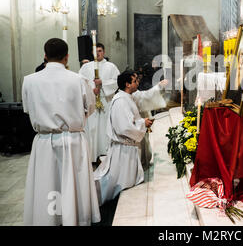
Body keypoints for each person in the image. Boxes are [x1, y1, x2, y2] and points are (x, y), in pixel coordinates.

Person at [22, 38, 100, 226]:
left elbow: (27, 109)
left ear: (45, 56)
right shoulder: (79, 80)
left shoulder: (29, 81)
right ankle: (76, 218)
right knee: (74, 184)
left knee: (47, 184)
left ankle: (49, 219)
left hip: (44, 140)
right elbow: (90, 108)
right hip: (73, 139)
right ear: (67, 57)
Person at [94, 71, 164, 205]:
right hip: (123, 151)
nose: (137, 83)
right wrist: (143, 123)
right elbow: (124, 127)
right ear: (127, 84)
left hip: (127, 148)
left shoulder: (127, 97)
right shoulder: (121, 101)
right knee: (119, 181)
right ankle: (105, 202)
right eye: (135, 81)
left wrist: (142, 121)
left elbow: (130, 121)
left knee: (125, 179)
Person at [79, 43, 120, 163]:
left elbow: (117, 81)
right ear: (92, 53)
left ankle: (106, 154)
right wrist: (92, 90)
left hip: (105, 100)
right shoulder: (85, 67)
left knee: (105, 128)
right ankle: (92, 155)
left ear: (104, 52)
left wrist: (103, 83)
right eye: (95, 51)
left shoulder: (111, 66)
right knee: (92, 129)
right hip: (91, 102)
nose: (97, 53)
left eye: (100, 51)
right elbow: (80, 83)